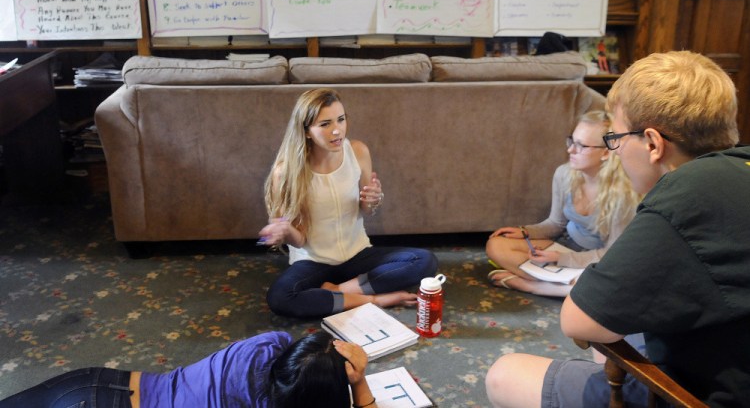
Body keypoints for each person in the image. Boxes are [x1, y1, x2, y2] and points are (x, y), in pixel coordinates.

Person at [485, 51, 750, 407]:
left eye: (617, 138)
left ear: (653, 144)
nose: (618, 150)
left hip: (702, 393)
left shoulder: (681, 196)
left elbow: (579, 322)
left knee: (505, 374)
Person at [261, 88, 438, 318]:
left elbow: (366, 210)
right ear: (306, 131)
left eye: (341, 119)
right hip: (314, 262)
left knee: (425, 261)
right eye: (325, 124)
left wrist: (373, 200)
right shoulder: (285, 172)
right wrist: (285, 229)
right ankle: (370, 299)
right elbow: (301, 240)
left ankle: (337, 292)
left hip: (357, 254)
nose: (337, 130)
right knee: (279, 298)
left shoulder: (358, 151)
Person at [0, 331, 379, 408]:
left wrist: (332, 354)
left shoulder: (268, 345)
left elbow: (295, 346)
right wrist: (359, 386)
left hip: (91, 383)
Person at [486, 110, 640, 297]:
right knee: (496, 245)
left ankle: (533, 285)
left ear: (606, 153)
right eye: (571, 141)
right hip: (566, 246)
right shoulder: (563, 174)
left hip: (599, 259)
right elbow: (555, 224)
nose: (570, 150)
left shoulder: (623, 194)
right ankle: (564, 286)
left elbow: (610, 254)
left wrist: (562, 259)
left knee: (614, 283)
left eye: (581, 146)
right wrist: (525, 231)